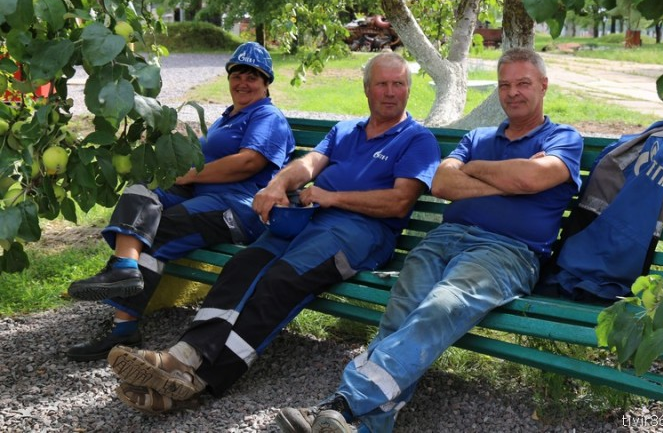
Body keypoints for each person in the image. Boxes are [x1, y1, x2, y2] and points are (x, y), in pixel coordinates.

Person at [105, 52, 442, 415]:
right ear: (366, 89)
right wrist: (278, 184)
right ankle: (185, 355)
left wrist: (332, 197)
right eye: (382, 84)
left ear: (408, 90)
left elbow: (399, 202)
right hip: (307, 219)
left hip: (359, 232)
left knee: (280, 282)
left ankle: (199, 380)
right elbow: (308, 164)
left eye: (398, 84)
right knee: (242, 266)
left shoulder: (416, 139)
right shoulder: (346, 131)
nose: (390, 92)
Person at [276, 47, 584, 433]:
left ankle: (343, 403)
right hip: (444, 240)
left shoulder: (563, 138)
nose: (513, 93)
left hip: (506, 252)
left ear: (543, 86)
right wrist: (507, 179)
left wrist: (476, 171)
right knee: (402, 310)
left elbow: (532, 178)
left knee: (441, 306)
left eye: (523, 83)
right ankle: (366, 426)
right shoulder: (477, 137)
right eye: (505, 85)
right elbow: (441, 183)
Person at [66, 42, 296, 362]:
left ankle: (124, 327)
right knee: (142, 192)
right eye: (237, 75)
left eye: (252, 77)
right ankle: (125, 267)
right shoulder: (229, 117)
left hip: (239, 208)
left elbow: (249, 162)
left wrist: (191, 176)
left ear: (266, 83)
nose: (243, 83)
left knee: (161, 229)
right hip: (205, 198)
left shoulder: (267, 116)